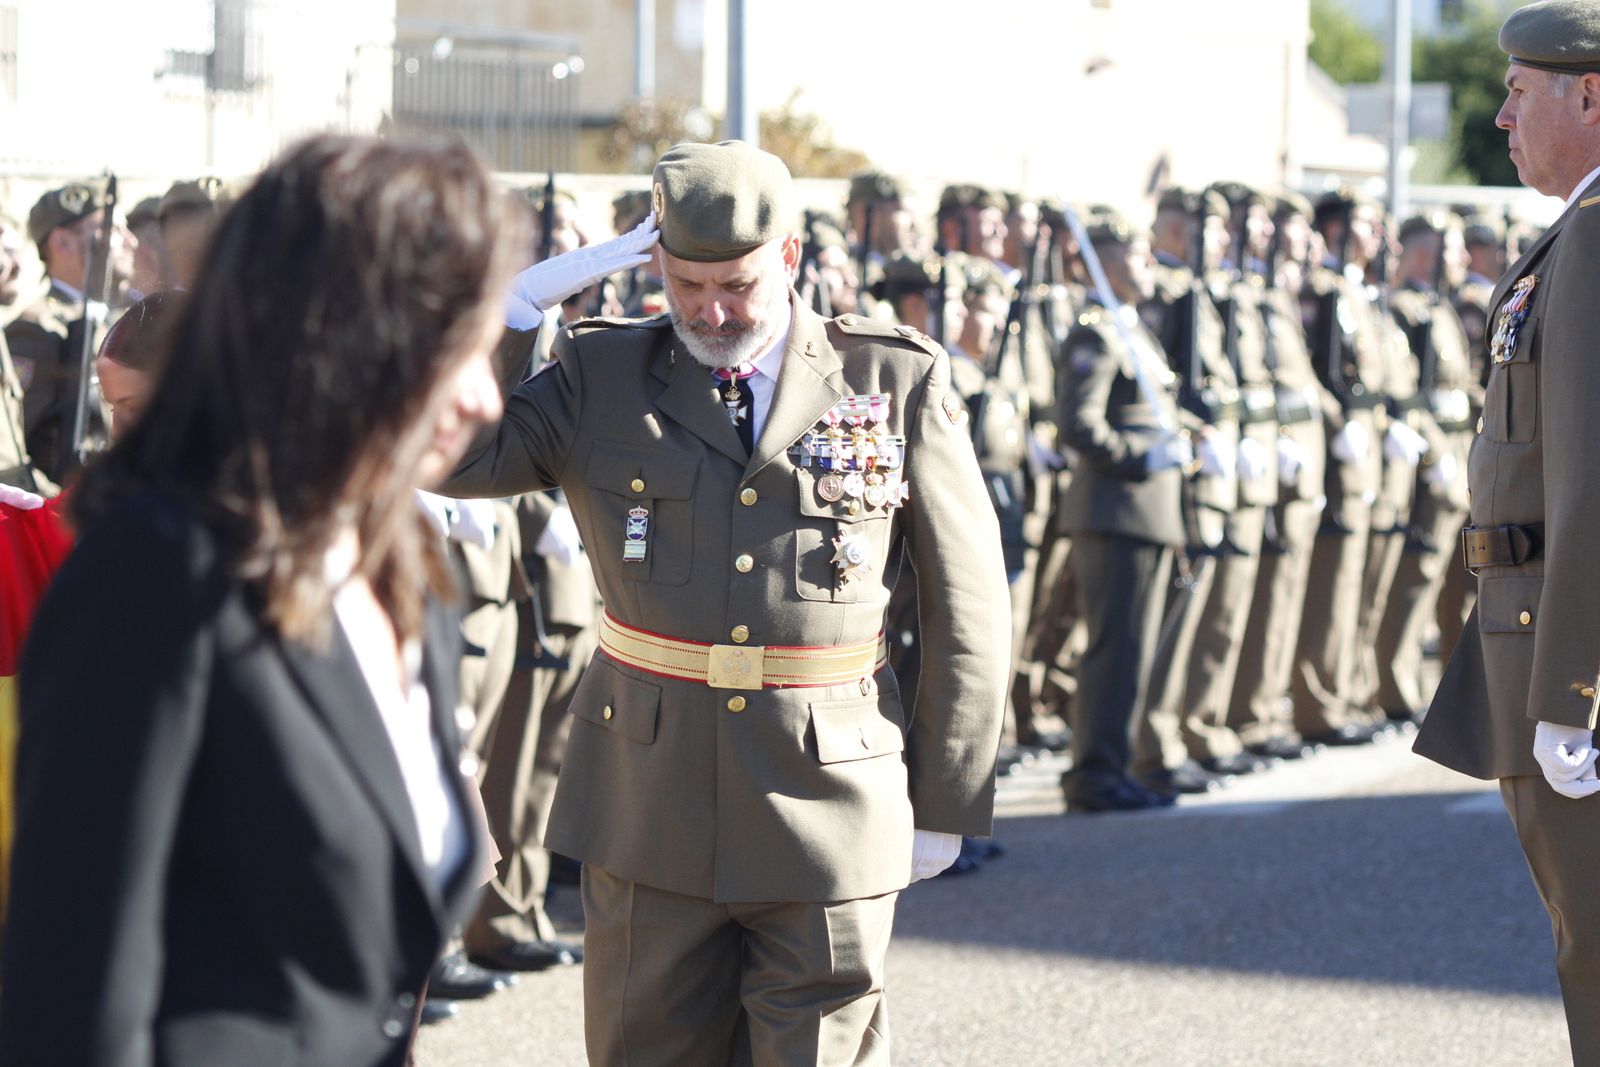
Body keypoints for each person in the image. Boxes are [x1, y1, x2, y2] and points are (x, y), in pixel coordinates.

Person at [444, 139, 1010, 1065]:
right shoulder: (602, 376)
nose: (711, 311)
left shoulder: (890, 375)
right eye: (686, 284)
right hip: (649, 801)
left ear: (788, 258)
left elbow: (968, 605)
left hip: (830, 797)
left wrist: (947, 794)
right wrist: (512, 311)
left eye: (738, 285)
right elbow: (451, 457)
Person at [0, 134, 516, 1067]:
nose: (486, 397)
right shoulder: (154, 572)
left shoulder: (402, 561)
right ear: (334, 335)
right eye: (460, 350)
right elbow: (74, 985)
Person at [1416, 4, 1600, 1063]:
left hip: (1559, 655)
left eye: (1519, 92)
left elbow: (1588, 480)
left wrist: (1572, 689)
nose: (1498, 116)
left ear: (1589, 97)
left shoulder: (1591, 240)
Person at [1055, 209, 1189, 812]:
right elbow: (1079, 425)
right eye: (1136, 255)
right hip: (1116, 511)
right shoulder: (1095, 334)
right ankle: (1094, 773)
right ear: (1105, 265)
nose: (1149, 263)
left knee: (1136, 650)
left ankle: (1119, 761)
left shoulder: (1133, 330)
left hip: (1147, 513)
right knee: (1115, 649)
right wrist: (1143, 456)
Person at [5, 182, 131, 484]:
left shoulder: (113, 318)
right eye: (113, 229)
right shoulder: (37, 329)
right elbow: (15, 448)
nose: (131, 241)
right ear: (63, 243)